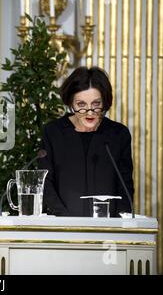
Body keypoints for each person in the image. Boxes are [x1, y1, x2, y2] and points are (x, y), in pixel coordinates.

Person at [38, 66, 134, 217]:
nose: (89, 112)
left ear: (105, 102)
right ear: (71, 103)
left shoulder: (118, 134)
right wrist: (64, 221)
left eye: (96, 104)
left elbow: (125, 187)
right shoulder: (53, 132)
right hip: (63, 227)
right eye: (81, 105)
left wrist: (120, 223)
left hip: (109, 229)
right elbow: (45, 183)